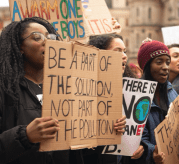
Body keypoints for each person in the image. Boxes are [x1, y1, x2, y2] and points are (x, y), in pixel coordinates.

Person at [0, 17, 126, 164]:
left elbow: (79, 150)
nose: (47, 42)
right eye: (37, 37)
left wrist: (104, 130)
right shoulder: (6, 90)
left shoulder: (69, 88)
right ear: (19, 46)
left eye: (50, 37)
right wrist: (25, 136)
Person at [88, 34, 143, 164]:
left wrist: (142, 146)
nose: (124, 56)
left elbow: (140, 130)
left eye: (124, 51)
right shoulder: (82, 89)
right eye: (117, 51)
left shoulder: (132, 91)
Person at [136, 38, 179, 164]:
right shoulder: (137, 97)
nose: (166, 67)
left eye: (167, 62)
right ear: (147, 66)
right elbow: (138, 138)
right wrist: (152, 154)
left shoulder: (171, 91)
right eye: (159, 62)